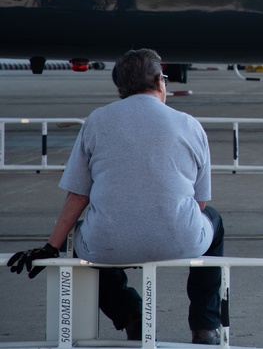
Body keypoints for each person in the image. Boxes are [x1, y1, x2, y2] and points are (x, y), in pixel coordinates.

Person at [6, 48, 224, 345]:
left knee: (82, 238)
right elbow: (200, 203)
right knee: (214, 222)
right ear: (161, 81)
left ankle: (132, 315)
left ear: (119, 88)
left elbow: (77, 196)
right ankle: (205, 326)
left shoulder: (97, 121)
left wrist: (50, 246)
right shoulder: (189, 124)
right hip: (180, 240)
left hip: (108, 244)